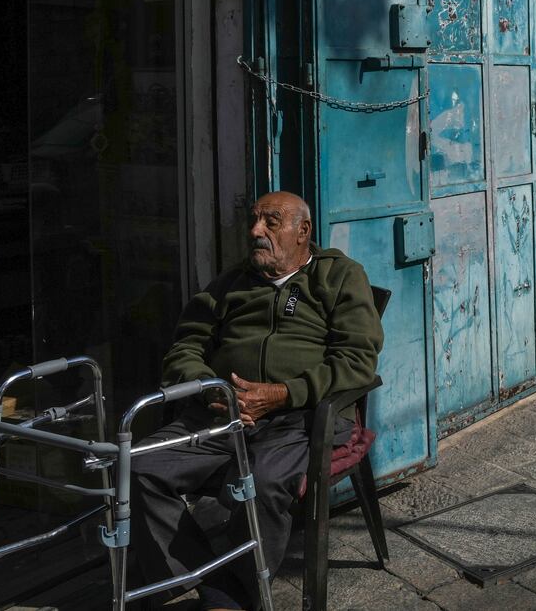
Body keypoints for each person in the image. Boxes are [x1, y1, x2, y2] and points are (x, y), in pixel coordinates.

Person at [131, 191, 383, 610]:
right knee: (140, 466)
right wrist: (208, 387)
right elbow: (185, 346)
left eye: (270, 222)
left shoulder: (337, 277)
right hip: (220, 414)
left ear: (302, 232)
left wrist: (285, 393)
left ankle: (237, 592)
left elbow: (358, 361)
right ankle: (210, 582)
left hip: (299, 419)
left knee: (263, 485)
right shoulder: (230, 284)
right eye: (254, 221)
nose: (255, 231)